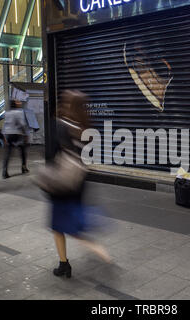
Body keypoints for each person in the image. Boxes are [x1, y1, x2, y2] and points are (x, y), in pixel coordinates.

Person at [48, 90, 111, 278]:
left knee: (59, 225)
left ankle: (65, 263)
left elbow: (52, 156)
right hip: (79, 179)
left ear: (68, 105)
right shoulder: (85, 127)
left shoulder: (60, 125)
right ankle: (84, 252)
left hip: (62, 181)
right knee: (73, 221)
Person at [2, 99, 30, 179]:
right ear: (15, 104)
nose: (20, 102)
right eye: (18, 102)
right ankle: (23, 167)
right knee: (23, 151)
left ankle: (4, 171)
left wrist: (4, 136)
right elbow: (22, 124)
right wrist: (25, 134)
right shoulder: (19, 112)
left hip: (8, 134)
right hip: (17, 134)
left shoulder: (7, 112)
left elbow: (5, 124)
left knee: (8, 153)